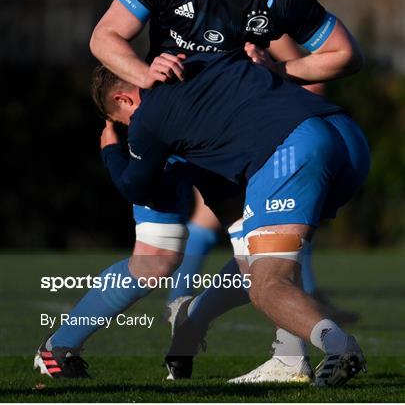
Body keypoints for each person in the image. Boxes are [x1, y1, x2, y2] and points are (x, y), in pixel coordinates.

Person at [34, 0, 362, 381]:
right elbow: (104, 37)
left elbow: (342, 54)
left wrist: (279, 70)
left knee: (259, 255)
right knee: (157, 260)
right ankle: (59, 345)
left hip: (230, 137)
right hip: (170, 126)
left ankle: (269, 350)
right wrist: (145, 78)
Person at [94, 50, 369, 388]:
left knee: (267, 284)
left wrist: (110, 150)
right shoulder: (205, 60)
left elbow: (135, 186)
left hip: (293, 146)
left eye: (123, 121)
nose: (128, 129)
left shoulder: (149, 114)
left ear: (124, 98)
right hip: (346, 135)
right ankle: (273, 352)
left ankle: (337, 347)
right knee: (265, 262)